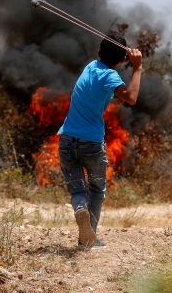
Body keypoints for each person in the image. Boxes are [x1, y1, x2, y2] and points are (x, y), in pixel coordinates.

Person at [57, 33, 143, 250]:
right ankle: (88, 239)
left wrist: (123, 58)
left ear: (98, 53)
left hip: (67, 139)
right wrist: (138, 67)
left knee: (77, 190)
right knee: (96, 190)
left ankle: (79, 208)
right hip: (91, 144)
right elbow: (131, 97)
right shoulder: (110, 77)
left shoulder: (90, 66)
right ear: (122, 60)